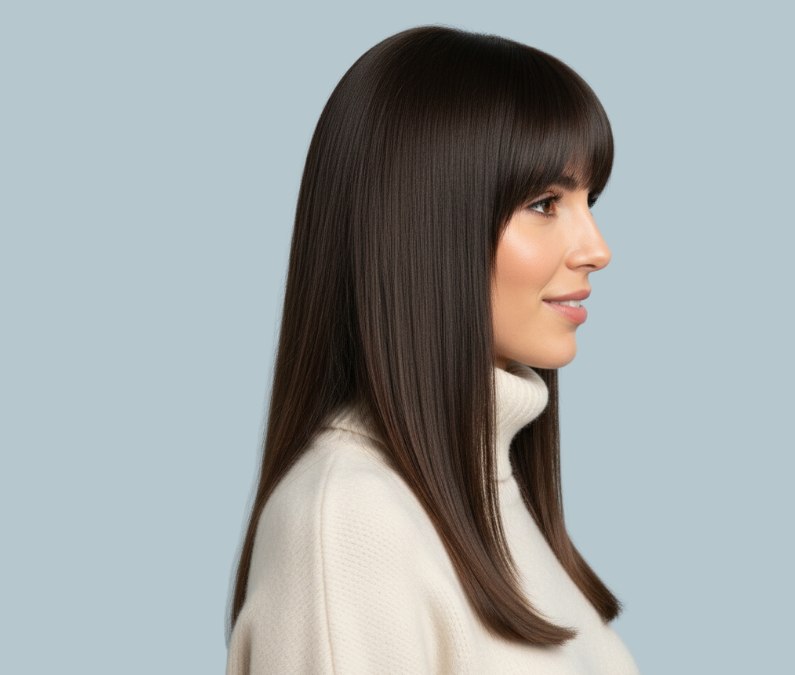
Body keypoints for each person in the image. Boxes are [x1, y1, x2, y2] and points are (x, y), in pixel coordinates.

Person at [225, 24, 639, 674]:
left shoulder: (489, 497)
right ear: (424, 224)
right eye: (544, 203)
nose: (597, 249)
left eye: (590, 199)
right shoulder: (349, 520)